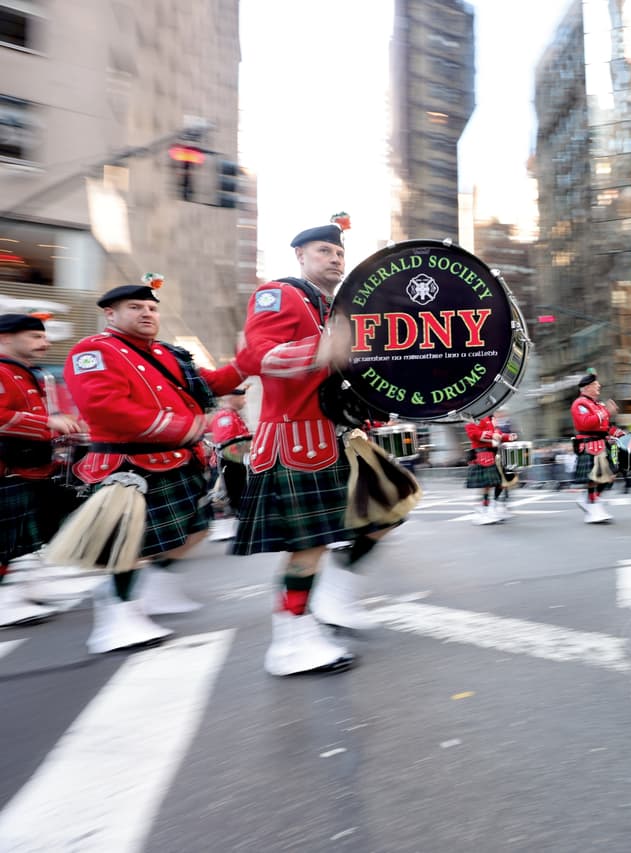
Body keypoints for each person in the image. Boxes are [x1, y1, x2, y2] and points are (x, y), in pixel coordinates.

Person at [232, 223, 395, 675]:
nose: (335, 258)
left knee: (387, 513)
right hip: (297, 440)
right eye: (324, 250)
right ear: (300, 255)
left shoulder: (339, 308)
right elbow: (255, 356)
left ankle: (335, 596)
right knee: (308, 547)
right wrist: (321, 349)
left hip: (341, 437)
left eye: (339, 252)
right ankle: (290, 642)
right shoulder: (280, 294)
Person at [64, 282, 245, 651]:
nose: (147, 313)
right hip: (129, 464)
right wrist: (185, 426)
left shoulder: (166, 352)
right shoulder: (93, 351)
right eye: (135, 307)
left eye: (151, 308)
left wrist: (251, 359)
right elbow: (105, 407)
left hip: (179, 460)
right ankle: (116, 615)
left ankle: (159, 588)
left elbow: (212, 384)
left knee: (196, 531)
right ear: (110, 314)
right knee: (131, 546)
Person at [0, 313, 81, 627]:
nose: (44, 343)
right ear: (5, 338)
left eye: (44, 336)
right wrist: (48, 423)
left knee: (26, 536)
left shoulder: (26, 373)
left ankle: (21, 590)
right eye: (35, 336)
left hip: (28, 467)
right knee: (5, 540)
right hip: (7, 468)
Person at [571, 374, 624, 523]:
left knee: (610, 475)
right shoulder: (579, 404)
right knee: (595, 478)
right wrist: (606, 411)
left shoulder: (597, 405)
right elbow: (586, 423)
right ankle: (592, 507)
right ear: (587, 387)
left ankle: (589, 499)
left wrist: (618, 433)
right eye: (595, 384)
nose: (599, 386)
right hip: (590, 445)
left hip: (602, 444)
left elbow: (604, 427)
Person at [208, 388, 252, 542]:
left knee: (237, 495)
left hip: (235, 463)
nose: (244, 401)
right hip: (228, 463)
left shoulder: (233, 415)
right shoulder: (225, 417)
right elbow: (226, 444)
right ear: (232, 398)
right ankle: (225, 530)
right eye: (242, 398)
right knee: (227, 495)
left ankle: (240, 528)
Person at [465, 413, 516, 524]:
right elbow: (473, 434)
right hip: (482, 455)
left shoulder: (491, 419)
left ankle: (492, 508)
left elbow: (498, 434)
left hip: (494, 455)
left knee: (500, 483)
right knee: (487, 486)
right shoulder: (473, 418)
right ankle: (483, 511)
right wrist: (492, 436)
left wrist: (508, 437)